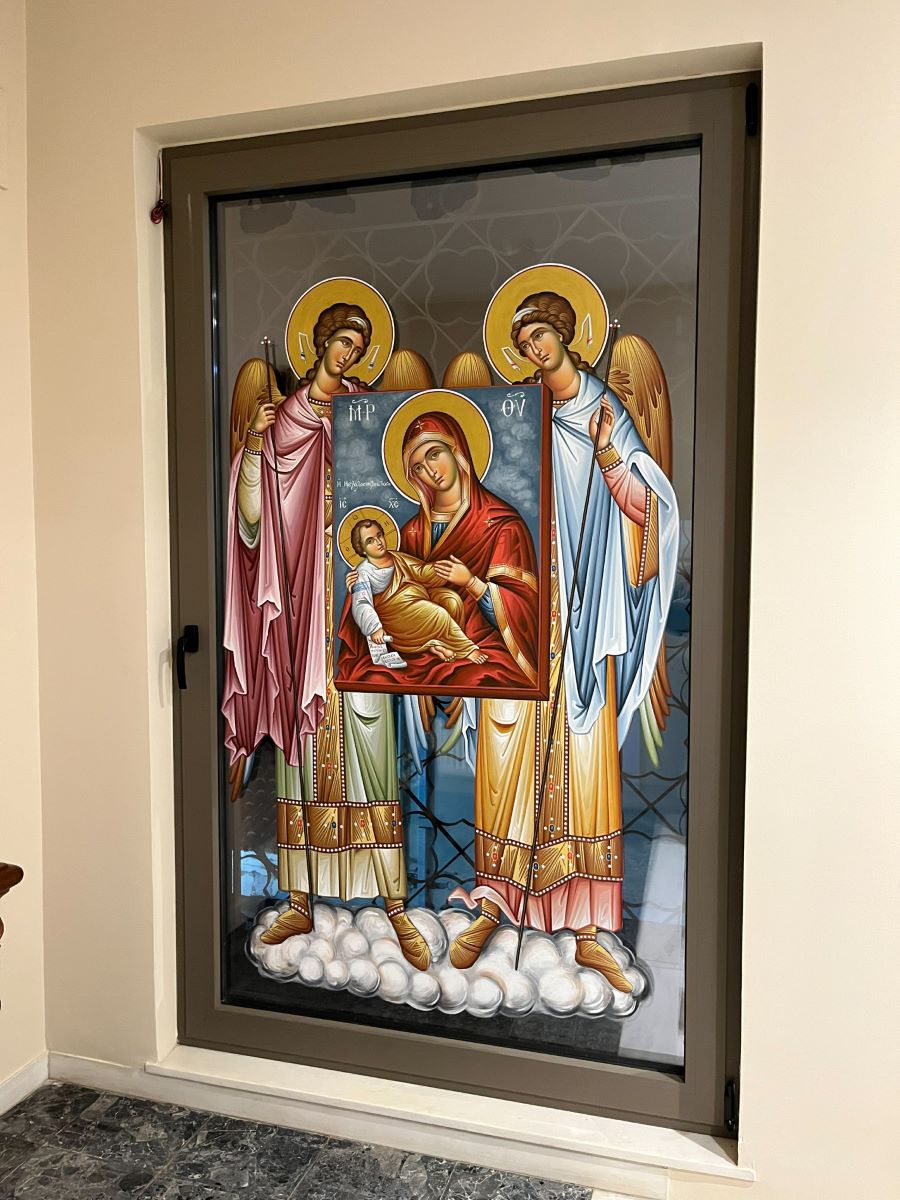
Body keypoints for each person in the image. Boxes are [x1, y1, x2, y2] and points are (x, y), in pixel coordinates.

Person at [447, 291, 679, 992]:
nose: (533, 349)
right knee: (507, 755)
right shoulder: (515, 415)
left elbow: (649, 509)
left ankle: (587, 929)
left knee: (582, 767)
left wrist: (608, 454)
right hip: (518, 613)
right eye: (523, 342)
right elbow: (482, 505)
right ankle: (494, 902)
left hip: (584, 617)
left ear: (568, 334)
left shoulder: (604, 411)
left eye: (541, 335)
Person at [222, 298, 431, 971]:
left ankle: (393, 901)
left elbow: (401, 499)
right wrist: (256, 449)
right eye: (341, 341)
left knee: (372, 748)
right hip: (301, 610)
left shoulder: (368, 415)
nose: (349, 354)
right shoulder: (282, 420)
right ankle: (301, 898)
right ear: (318, 344)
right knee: (303, 752)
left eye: (358, 346)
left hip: (359, 610)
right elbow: (252, 519)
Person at [337, 410, 540, 695]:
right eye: (418, 467)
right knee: (374, 678)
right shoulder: (412, 531)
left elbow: (525, 615)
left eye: (434, 454)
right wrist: (357, 587)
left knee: (483, 676)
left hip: (481, 638)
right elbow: (391, 591)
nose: (431, 471)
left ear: (456, 450)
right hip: (413, 635)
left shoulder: (502, 524)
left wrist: (472, 583)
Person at [348, 518, 488, 666]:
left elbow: (420, 572)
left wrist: (440, 569)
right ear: (362, 549)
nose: (378, 542)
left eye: (379, 535)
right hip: (396, 617)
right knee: (437, 614)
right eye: (370, 541)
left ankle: (441, 645)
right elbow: (361, 603)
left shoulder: (396, 557)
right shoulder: (363, 573)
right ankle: (467, 649)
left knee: (451, 600)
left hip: (418, 599)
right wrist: (374, 628)